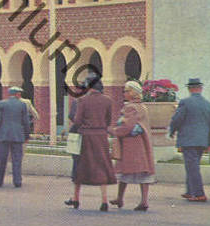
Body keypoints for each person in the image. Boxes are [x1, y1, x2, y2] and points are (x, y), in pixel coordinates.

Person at [66, 76, 116, 210]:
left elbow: (77, 120)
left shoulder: (82, 100)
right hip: (101, 136)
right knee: (102, 165)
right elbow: (108, 120)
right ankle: (104, 200)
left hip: (86, 136)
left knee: (80, 167)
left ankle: (76, 198)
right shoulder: (107, 100)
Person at [168, 77, 210, 202]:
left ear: (190, 89)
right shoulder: (209, 104)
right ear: (200, 88)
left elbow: (177, 119)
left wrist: (172, 130)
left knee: (192, 167)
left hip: (188, 139)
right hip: (202, 140)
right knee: (193, 165)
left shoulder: (185, 102)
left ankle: (199, 193)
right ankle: (190, 191)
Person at [111, 80, 156, 210]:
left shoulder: (130, 107)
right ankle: (143, 200)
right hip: (142, 143)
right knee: (143, 172)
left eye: (126, 91)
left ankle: (121, 198)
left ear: (132, 92)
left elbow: (127, 126)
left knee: (124, 170)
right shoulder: (143, 106)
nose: (124, 93)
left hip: (130, 144)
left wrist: (114, 131)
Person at [0, 86, 30, 188]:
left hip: (3, 135)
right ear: (17, 94)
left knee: (1, 159)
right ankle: (17, 181)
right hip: (18, 135)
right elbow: (25, 121)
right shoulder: (23, 105)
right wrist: (27, 135)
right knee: (17, 159)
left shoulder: (2, 103)